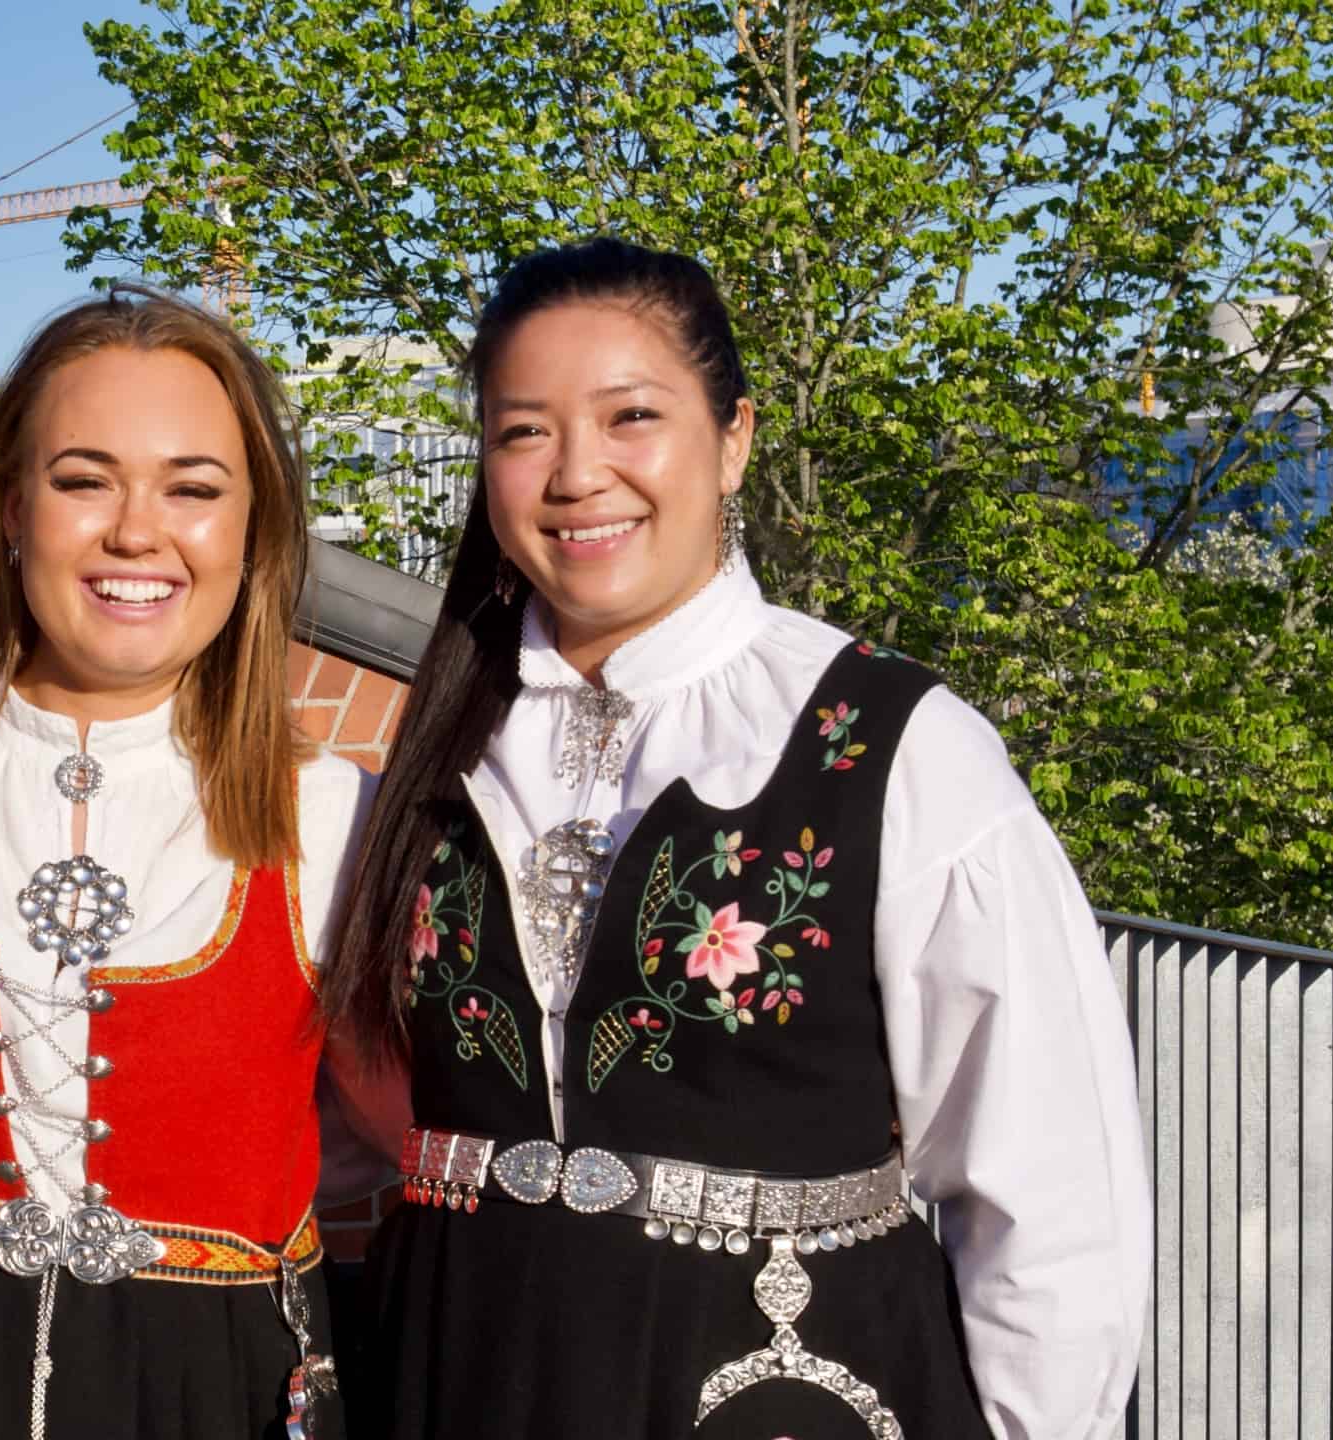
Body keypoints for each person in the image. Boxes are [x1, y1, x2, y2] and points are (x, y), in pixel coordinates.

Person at [322, 239, 1150, 1439]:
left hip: (786, 1388)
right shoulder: (441, 748)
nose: (578, 474)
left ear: (734, 438)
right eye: (524, 432)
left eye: (631, 417)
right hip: (460, 1376)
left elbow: (1046, 1175)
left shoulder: (891, 742)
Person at [0, 285, 383, 1440]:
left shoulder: (331, 812)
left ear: (254, 528)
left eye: (193, 489)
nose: (136, 532)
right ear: (7, 504)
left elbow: (391, 1158)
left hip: (224, 1395)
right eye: (84, 480)